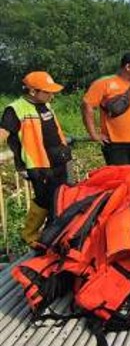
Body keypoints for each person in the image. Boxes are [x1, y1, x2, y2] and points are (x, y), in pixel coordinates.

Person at [0, 71, 72, 247]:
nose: (52, 95)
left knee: (61, 198)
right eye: (48, 91)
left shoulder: (45, 105)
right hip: (38, 164)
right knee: (44, 199)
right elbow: (3, 133)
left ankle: (53, 235)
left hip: (58, 159)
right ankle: (30, 235)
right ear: (33, 91)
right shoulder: (15, 109)